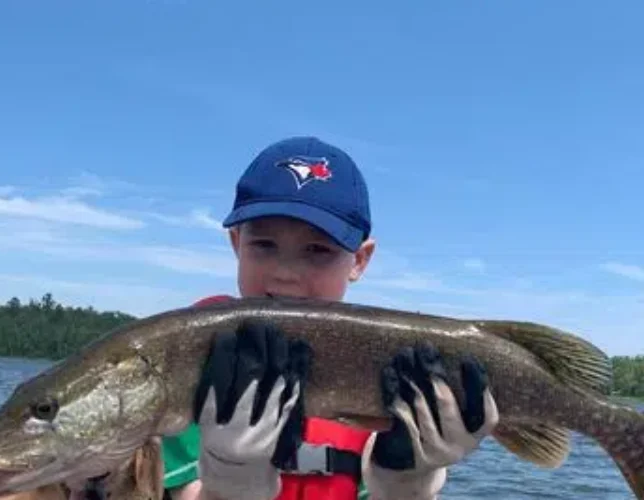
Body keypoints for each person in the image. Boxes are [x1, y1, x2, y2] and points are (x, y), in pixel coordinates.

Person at [164, 136, 500, 500]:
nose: (286, 274)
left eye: (317, 250)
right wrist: (233, 482)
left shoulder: (395, 367)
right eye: (264, 245)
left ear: (359, 260)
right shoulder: (194, 361)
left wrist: (409, 483)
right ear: (236, 244)